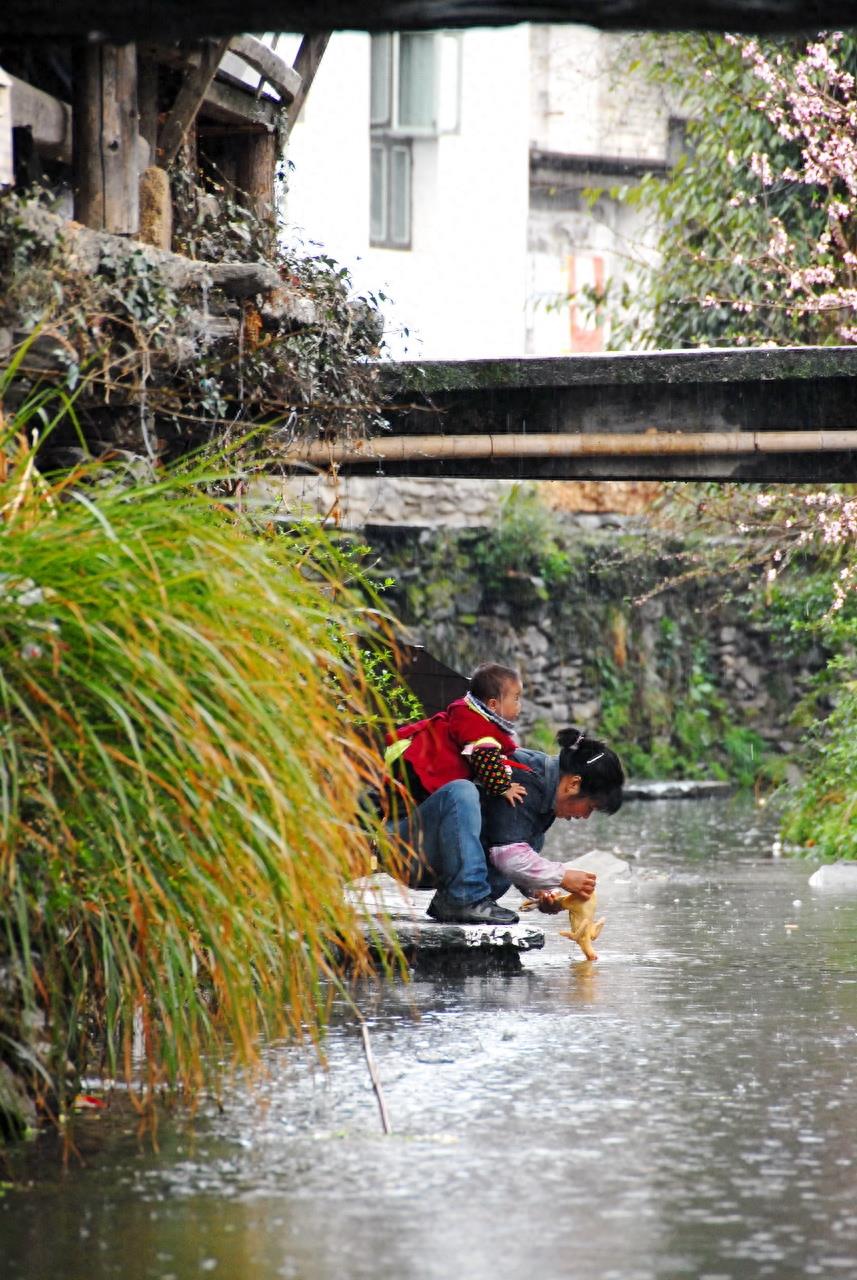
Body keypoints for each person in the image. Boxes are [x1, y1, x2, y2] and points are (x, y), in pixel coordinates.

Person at [387, 724, 625, 926]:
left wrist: (540, 890)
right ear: (574, 784)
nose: (585, 817)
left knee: (531, 841)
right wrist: (562, 876)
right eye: (590, 807)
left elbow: (505, 840)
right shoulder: (525, 777)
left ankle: (457, 901)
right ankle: (461, 899)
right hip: (405, 848)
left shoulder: (548, 796)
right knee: (461, 792)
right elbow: (507, 856)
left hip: (434, 858)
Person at [386, 662, 529, 806]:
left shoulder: (469, 709)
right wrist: (504, 788)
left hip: (417, 757)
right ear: (493, 704)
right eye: (516, 698)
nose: (519, 705)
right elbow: (486, 760)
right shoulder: (480, 729)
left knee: (393, 795)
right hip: (422, 771)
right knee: (403, 803)